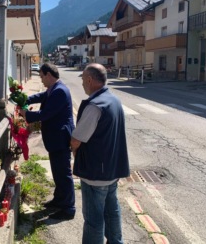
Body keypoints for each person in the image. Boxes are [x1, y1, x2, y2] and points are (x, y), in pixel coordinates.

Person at [70, 63, 130, 244]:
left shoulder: (94, 106)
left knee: (93, 220)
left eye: (82, 79)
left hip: (95, 173)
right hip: (112, 170)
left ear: (89, 80)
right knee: (112, 212)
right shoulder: (114, 100)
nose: (82, 83)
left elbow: (76, 140)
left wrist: (75, 156)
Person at [19, 62, 76, 220]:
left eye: (42, 76)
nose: (41, 80)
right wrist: (23, 99)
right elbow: (40, 96)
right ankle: (59, 200)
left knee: (63, 173)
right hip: (55, 138)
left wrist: (26, 114)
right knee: (57, 171)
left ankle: (68, 208)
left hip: (60, 138)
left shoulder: (60, 91)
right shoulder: (54, 89)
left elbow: (45, 114)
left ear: (49, 75)